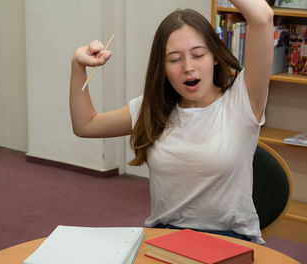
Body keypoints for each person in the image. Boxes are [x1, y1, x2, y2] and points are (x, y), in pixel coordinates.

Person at [69, 0, 274, 244]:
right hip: (165, 237)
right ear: (162, 67)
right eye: (174, 59)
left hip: (229, 240)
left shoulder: (242, 101)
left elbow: (262, 17)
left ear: (215, 58)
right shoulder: (153, 109)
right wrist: (78, 65)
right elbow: (85, 125)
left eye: (198, 55)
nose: (188, 67)